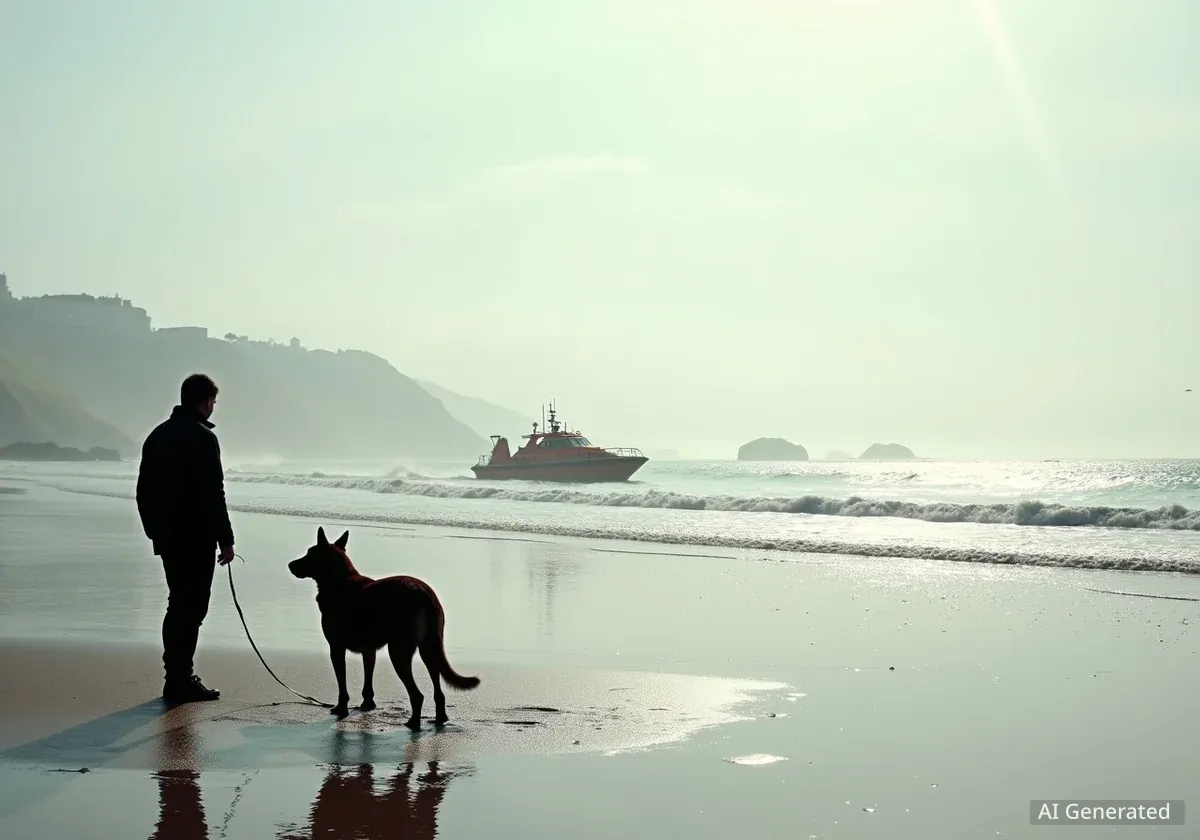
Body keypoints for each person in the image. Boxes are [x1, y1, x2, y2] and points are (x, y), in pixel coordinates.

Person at [136, 373, 235, 703]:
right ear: (206, 402)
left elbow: (143, 492)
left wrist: (155, 533)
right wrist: (226, 540)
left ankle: (175, 677)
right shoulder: (203, 439)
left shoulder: (157, 437)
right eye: (214, 403)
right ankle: (181, 679)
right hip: (197, 538)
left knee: (178, 603)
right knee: (191, 608)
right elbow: (213, 493)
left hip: (169, 539)